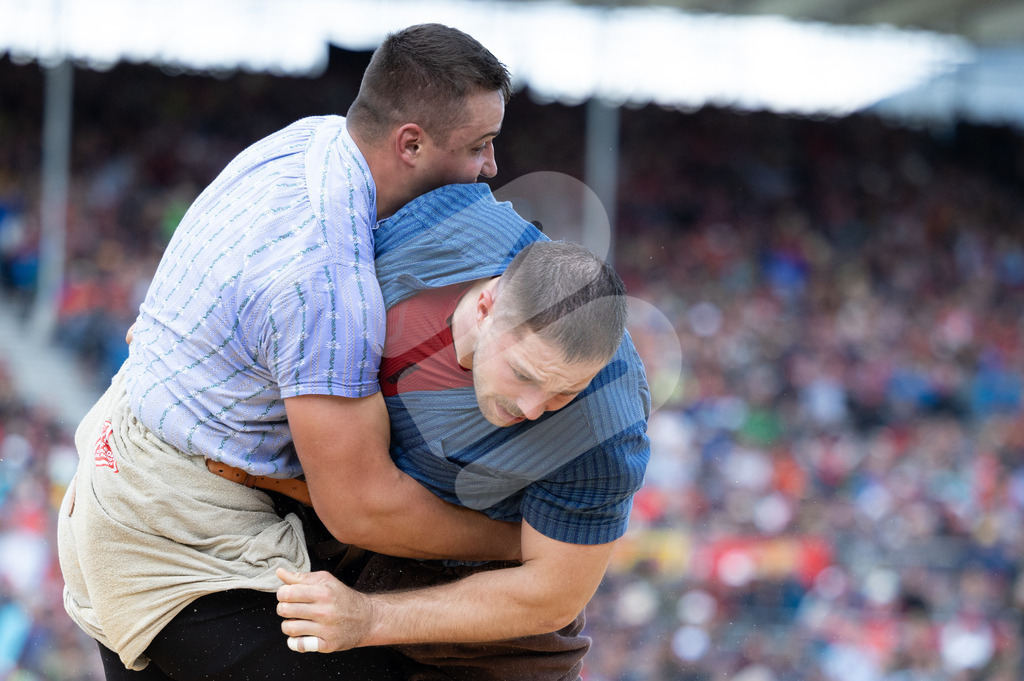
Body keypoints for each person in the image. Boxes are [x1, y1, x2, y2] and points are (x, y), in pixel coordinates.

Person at [57, 23, 520, 680]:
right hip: (172, 534)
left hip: (132, 466)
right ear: (410, 143)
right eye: (479, 146)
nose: (492, 167)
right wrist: (522, 538)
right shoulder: (328, 275)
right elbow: (360, 506)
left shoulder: (314, 138)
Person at [276, 182, 651, 681]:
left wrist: (369, 619)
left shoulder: (606, 428)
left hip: (486, 647)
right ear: (485, 308)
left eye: (566, 391)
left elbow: (549, 595)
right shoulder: (436, 228)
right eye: (525, 375)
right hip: (315, 546)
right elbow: (282, 245)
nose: (535, 409)